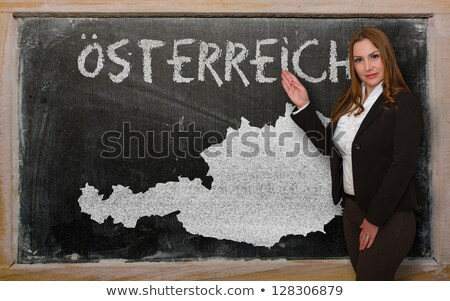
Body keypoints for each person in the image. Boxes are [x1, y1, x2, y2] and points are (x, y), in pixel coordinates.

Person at [281, 27, 423, 280]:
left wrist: (375, 219)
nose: (367, 66)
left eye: (374, 56)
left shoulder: (404, 102)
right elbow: (330, 148)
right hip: (352, 211)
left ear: (386, 57)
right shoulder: (349, 102)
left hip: (388, 215)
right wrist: (303, 106)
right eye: (359, 59)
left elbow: (402, 165)